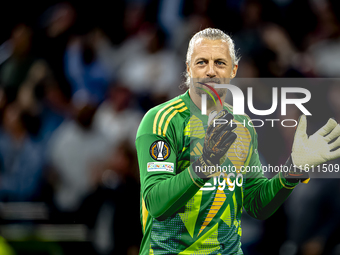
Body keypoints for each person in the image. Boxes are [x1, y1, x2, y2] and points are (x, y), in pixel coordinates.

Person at [135, 28, 340, 255]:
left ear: (233, 70)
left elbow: (256, 204)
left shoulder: (243, 125)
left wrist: (292, 171)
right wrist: (203, 166)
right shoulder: (160, 120)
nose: (211, 72)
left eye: (220, 63)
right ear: (188, 68)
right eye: (202, 62)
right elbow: (156, 204)